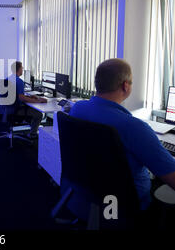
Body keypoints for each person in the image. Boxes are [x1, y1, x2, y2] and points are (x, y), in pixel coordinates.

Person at [69, 58, 175, 213]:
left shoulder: (78, 109)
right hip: (127, 204)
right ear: (125, 86)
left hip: (87, 189)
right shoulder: (135, 127)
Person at [8, 61, 47, 139]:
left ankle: (30, 127)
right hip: (16, 109)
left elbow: (17, 95)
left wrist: (30, 97)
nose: (22, 70)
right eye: (22, 68)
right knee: (38, 114)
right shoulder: (19, 81)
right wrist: (38, 100)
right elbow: (21, 97)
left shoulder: (8, 78)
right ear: (18, 69)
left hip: (7, 108)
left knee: (32, 109)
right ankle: (32, 134)